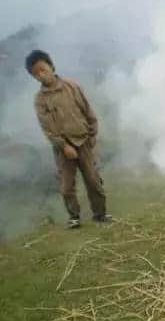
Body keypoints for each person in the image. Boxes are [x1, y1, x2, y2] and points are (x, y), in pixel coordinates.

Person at [25, 50, 112, 228]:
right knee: (66, 186)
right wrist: (64, 146)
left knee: (93, 181)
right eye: (36, 74)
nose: (41, 75)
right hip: (63, 149)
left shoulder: (72, 87)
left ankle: (100, 214)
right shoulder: (40, 99)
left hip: (84, 141)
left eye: (43, 69)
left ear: (51, 66)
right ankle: (74, 217)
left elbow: (87, 111)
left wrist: (93, 134)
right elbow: (48, 128)